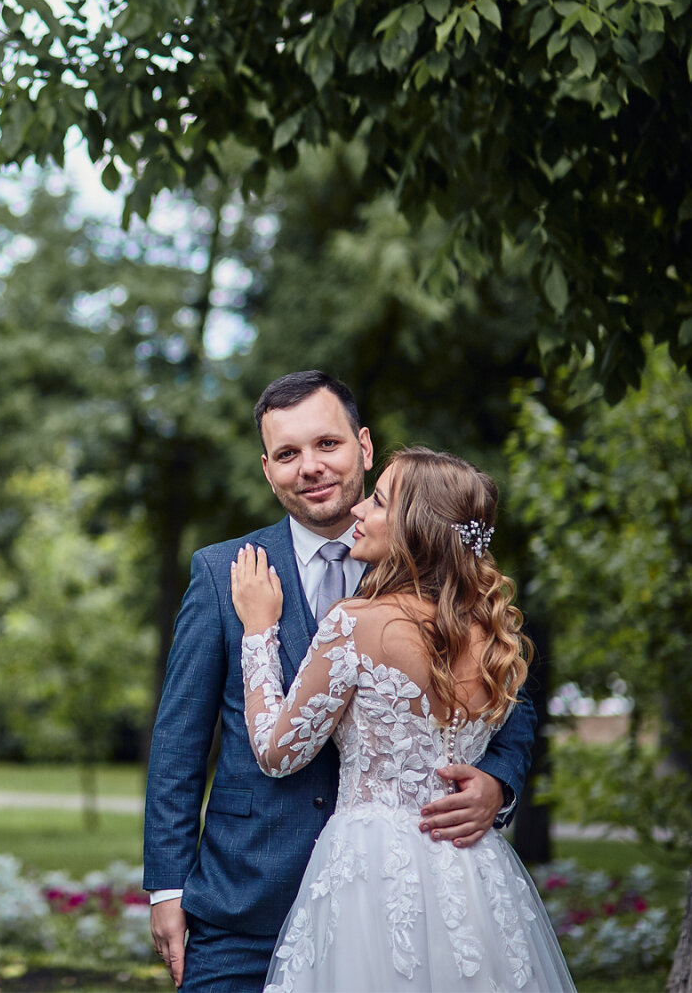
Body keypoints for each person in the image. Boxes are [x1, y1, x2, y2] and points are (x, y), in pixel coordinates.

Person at [145, 372, 536, 992]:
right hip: (246, 904)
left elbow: (510, 702)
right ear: (267, 469)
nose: (310, 467)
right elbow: (178, 740)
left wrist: (497, 782)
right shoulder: (223, 572)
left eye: (327, 444)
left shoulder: (451, 590)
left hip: (399, 904)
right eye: (287, 454)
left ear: (365, 446)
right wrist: (167, 886)